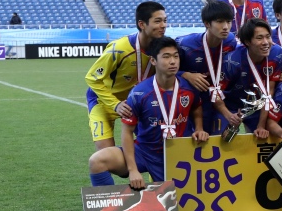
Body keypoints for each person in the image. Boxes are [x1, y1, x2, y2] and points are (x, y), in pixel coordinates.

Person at [88, 36, 209, 188]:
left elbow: (196, 106)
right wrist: (133, 170)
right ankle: (107, 209)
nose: (172, 61)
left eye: (175, 56)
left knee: (181, 203)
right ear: (153, 61)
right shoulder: (139, 93)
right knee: (97, 161)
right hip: (145, 152)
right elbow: (126, 132)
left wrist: (199, 128)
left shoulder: (189, 88)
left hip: (179, 153)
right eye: (166, 57)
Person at [84, 2, 167, 186]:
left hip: (136, 105)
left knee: (155, 149)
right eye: (158, 21)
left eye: (165, 21)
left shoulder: (162, 49)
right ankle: (109, 206)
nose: (163, 25)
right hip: (104, 102)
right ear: (142, 24)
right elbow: (92, 78)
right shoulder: (119, 48)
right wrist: (115, 104)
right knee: (106, 157)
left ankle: (157, 194)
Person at [214, 18, 282, 140]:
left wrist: (261, 125)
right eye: (259, 38)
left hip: (257, 105)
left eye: (268, 37)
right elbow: (216, 93)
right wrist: (228, 115)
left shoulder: (277, 54)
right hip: (231, 104)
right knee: (222, 139)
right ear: (247, 41)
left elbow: (269, 92)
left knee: (264, 137)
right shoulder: (232, 61)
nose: (266, 42)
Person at [176, 1, 237, 135]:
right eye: (220, 22)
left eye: (229, 21)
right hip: (192, 101)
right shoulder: (185, 45)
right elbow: (165, 69)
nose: (226, 27)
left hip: (219, 98)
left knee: (220, 140)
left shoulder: (230, 41)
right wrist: (186, 75)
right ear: (207, 23)